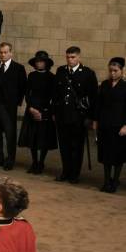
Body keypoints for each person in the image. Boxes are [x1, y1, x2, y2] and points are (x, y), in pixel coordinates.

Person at [53, 46, 97, 184]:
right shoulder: (61, 71)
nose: (70, 60)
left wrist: (90, 117)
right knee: (64, 146)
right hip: (62, 116)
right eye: (68, 57)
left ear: (79, 57)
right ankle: (66, 171)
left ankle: (74, 174)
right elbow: (56, 94)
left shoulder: (87, 73)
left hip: (78, 117)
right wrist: (55, 112)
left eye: (72, 57)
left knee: (76, 146)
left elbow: (93, 97)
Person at [0, 42, 27, 171]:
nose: (3, 55)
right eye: (1, 52)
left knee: (10, 135)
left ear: (11, 53)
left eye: (5, 52)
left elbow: (23, 87)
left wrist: (16, 102)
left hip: (9, 107)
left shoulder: (18, 68)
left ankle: (10, 160)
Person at [18, 51, 57, 174]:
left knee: (43, 139)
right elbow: (27, 93)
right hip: (31, 109)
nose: (39, 63)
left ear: (46, 63)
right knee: (32, 138)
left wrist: (43, 112)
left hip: (45, 110)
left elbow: (52, 97)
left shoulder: (52, 77)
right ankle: (34, 162)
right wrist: (31, 108)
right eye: (37, 61)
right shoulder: (31, 75)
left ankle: (41, 162)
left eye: (41, 61)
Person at [93, 57, 126, 192]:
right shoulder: (104, 85)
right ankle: (107, 181)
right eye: (110, 70)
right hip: (104, 125)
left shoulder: (125, 86)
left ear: (122, 70)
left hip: (119, 126)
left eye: (115, 70)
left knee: (117, 155)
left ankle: (115, 181)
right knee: (106, 155)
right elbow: (98, 105)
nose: (112, 73)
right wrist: (95, 121)